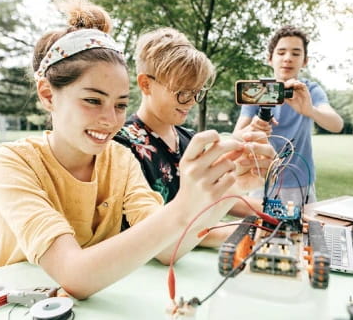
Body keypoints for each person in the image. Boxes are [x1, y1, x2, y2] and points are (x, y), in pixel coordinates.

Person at [0, 0, 274, 300]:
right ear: (47, 94)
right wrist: (185, 204)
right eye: (93, 100)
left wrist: (224, 191)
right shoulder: (10, 163)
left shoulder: (119, 159)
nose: (110, 120)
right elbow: (74, 275)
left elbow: (167, 248)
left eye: (121, 104)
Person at [113, 27, 264, 225]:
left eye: (196, 92)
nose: (192, 101)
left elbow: (223, 198)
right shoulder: (121, 146)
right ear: (146, 84)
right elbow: (157, 230)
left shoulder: (190, 139)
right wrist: (258, 232)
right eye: (183, 92)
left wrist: (283, 218)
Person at [233, 25, 344, 205]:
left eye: (296, 53)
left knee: (303, 230)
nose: (287, 58)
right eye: (281, 52)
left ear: (305, 60)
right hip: (262, 179)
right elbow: (236, 135)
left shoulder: (310, 90)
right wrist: (252, 128)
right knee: (260, 230)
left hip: (300, 180)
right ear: (270, 59)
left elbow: (337, 124)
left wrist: (310, 110)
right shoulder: (257, 91)